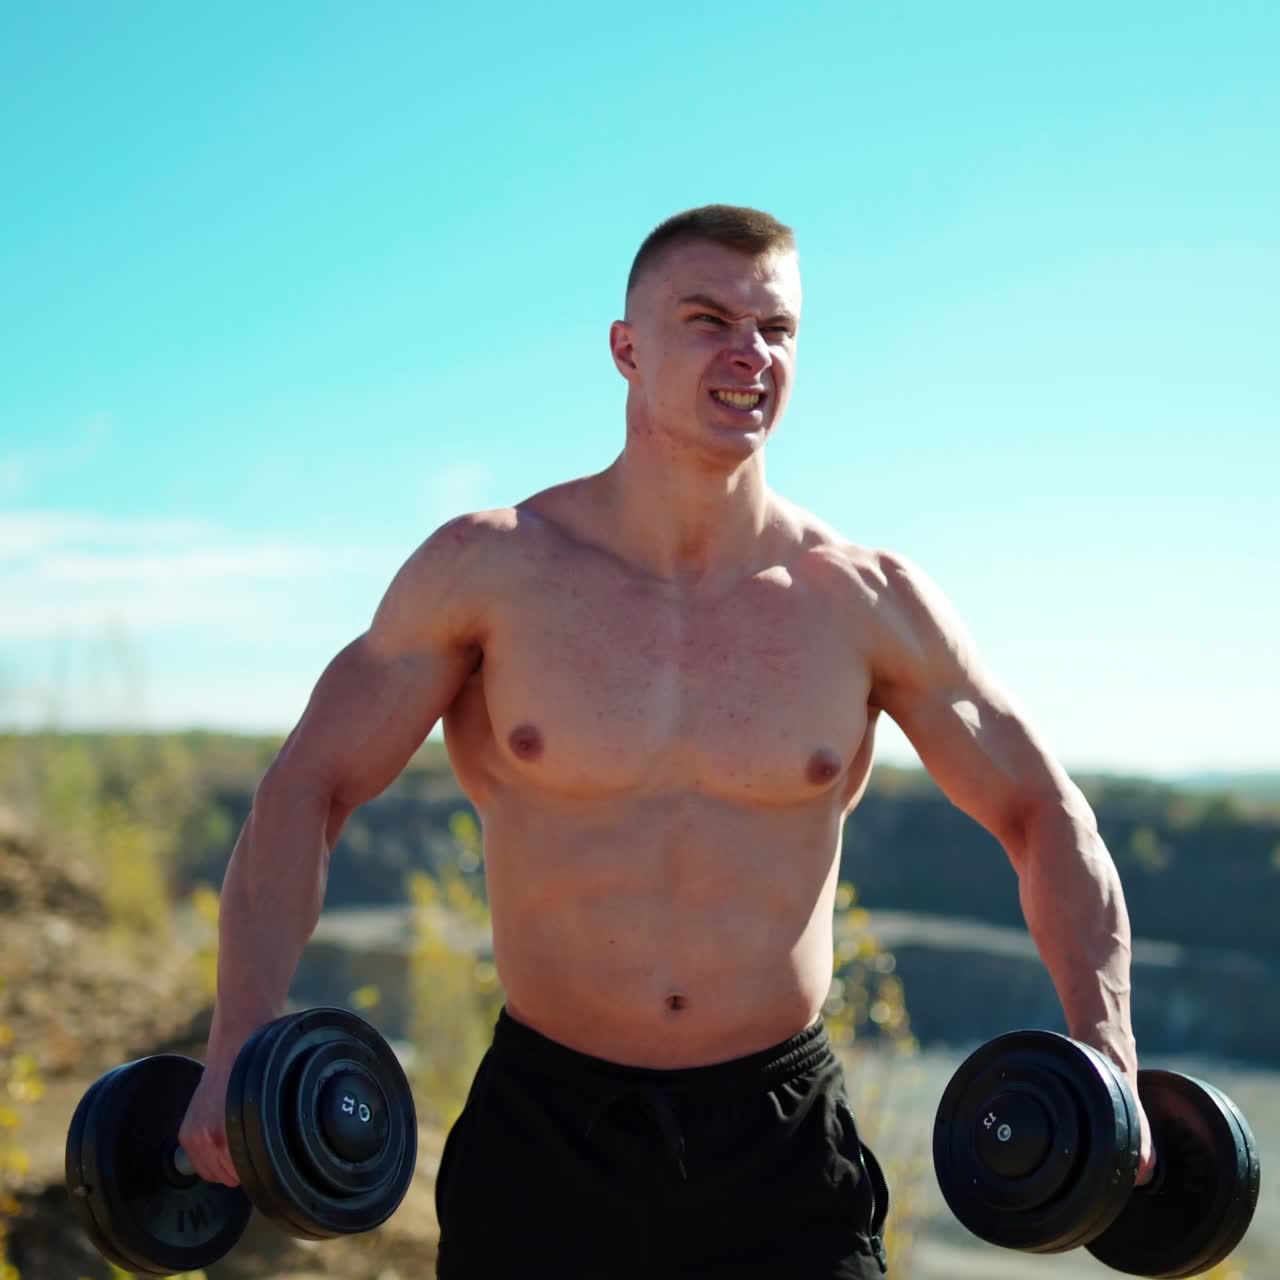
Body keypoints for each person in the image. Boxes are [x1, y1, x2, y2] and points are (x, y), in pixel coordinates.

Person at [177, 204, 1155, 1278]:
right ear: (625, 348)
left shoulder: (863, 599)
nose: (749, 351)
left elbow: (1043, 811)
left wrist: (1104, 1045)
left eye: (775, 328)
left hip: (778, 1142)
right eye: (707, 318)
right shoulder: (491, 570)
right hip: (546, 1132)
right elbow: (307, 785)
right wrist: (239, 1034)